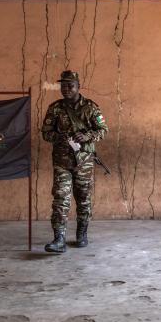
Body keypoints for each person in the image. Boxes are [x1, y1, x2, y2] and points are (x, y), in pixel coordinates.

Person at [41, 70, 108, 253]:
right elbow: (45, 133)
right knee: (60, 198)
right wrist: (58, 137)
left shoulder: (91, 107)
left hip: (84, 162)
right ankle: (59, 239)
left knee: (83, 198)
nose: (66, 89)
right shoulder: (55, 108)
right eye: (63, 85)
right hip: (62, 161)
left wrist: (87, 135)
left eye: (70, 85)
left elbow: (103, 130)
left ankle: (81, 233)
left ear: (78, 86)